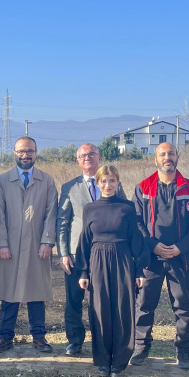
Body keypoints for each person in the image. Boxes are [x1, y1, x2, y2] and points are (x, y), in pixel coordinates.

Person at [131, 142, 189, 369]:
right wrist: (152, 245)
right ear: (155, 159)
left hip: (181, 258)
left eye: (171, 153)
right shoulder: (143, 188)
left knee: (183, 305)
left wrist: (181, 247)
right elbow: (136, 222)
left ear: (177, 157)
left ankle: (184, 351)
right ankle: (140, 348)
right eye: (162, 154)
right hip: (151, 258)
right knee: (144, 304)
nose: (167, 158)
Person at [75, 165, 147, 376]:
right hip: (97, 261)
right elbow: (85, 241)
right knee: (100, 310)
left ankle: (120, 362)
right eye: (103, 181)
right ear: (97, 183)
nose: (108, 185)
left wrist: (139, 270)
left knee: (123, 309)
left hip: (123, 259)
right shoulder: (90, 208)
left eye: (112, 181)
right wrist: (83, 272)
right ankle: (103, 361)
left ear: (118, 182)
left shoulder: (127, 207)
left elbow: (136, 239)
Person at [0, 136, 59, 353]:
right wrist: (1, 243)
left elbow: (52, 213)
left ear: (36, 153)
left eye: (30, 151)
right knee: (9, 293)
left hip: (37, 246)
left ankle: (39, 337)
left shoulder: (46, 181)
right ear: (15, 153)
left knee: (36, 292)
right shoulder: (3, 181)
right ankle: (5, 337)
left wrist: (47, 241)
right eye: (21, 151)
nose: (26, 155)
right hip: (9, 246)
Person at [58, 143, 124, 356]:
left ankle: (103, 339)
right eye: (83, 155)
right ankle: (75, 341)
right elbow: (62, 222)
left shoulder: (112, 183)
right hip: (78, 255)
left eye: (92, 154)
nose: (87, 158)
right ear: (77, 161)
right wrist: (63, 253)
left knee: (103, 299)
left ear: (99, 157)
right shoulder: (70, 187)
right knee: (74, 299)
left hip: (107, 254)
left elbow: (124, 215)